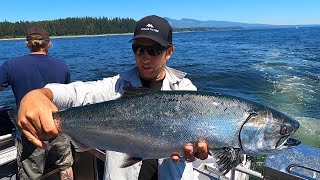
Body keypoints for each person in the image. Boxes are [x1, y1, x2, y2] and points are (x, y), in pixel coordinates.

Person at [17, 16, 209, 180]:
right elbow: (79, 92)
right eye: (139, 49)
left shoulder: (185, 91)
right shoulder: (117, 85)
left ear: (169, 52)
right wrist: (39, 94)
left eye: (154, 50)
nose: (145, 57)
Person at [0, 26, 74, 180]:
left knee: (30, 176)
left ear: (27, 44)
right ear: (49, 44)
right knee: (66, 167)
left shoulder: (11, 65)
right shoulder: (62, 66)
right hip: (58, 128)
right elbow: (68, 97)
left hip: (30, 131)